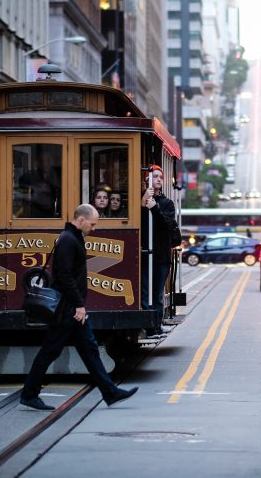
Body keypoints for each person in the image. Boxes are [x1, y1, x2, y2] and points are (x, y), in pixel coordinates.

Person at [19, 204, 138, 411]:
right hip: (68, 309)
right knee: (51, 351)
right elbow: (64, 276)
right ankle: (29, 394)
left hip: (71, 308)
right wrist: (79, 305)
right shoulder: (68, 240)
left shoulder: (72, 238)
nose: (94, 228)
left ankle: (110, 392)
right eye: (92, 224)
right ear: (81, 220)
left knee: (89, 349)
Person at [140, 165, 180, 337]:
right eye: (154, 176)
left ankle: (156, 325)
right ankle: (147, 325)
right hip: (144, 253)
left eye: (160, 177)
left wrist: (154, 208)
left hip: (161, 255)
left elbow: (168, 225)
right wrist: (144, 203)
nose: (158, 179)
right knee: (144, 292)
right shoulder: (140, 200)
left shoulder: (167, 203)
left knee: (157, 293)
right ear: (146, 179)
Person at [18, 150, 61, 217]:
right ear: (37, 163)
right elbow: (24, 199)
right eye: (43, 161)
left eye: (48, 160)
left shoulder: (57, 177)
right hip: (34, 215)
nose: (46, 163)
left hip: (52, 216)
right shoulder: (28, 177)